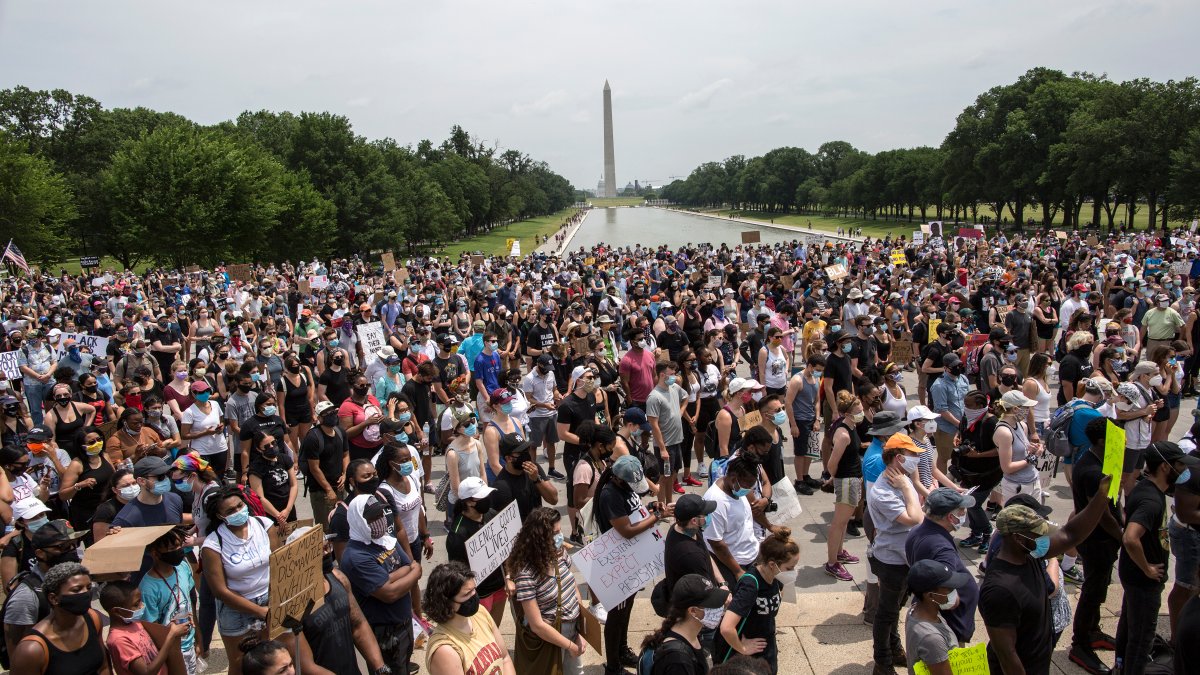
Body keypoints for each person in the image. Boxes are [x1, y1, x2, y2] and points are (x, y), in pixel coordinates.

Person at [979, 472, 1115, 675]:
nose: (1045, 538)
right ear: (1018, 538)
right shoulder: (1000, 589)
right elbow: (1007, 657)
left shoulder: (1030, 554)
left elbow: (1071, 534)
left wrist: (1102, 496)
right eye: (1038, 533)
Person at [1115, 441, 1197, 674]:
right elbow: (1131, 537)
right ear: (1164, 467)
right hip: (1143, 582)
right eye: (1179, 465)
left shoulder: (1144, 489)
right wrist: (1148, 568)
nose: (1183, 471)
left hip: (1134, 577)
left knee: (1130, 630)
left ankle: (1121, 666)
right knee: (1141, 641)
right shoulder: (1151, 500)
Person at [595, 455, 671, 674]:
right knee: (616, 614)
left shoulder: (625, 488)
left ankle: (622, 649)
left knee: (627, 608)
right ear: (619, 479)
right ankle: (613, 665)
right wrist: (656, 516)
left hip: (631, 558)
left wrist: (650, 507)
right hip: (617, 561)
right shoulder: (610, 494)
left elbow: (633, 510)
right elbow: (626, 530)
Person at [284, 527, 390, 675]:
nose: (327, 553)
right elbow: (306, 665)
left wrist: (380, 667)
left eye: (327, 546)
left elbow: (358, 625)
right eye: (318, 551)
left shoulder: (338, 578)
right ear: (300, 560)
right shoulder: (290, 605)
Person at [339, 493, 421, 675]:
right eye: (373, 517)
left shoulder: (385, 539)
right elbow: (389, 593)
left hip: (404, 625)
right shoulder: (356, 557)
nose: (380, 521)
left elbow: (409, 563)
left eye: (381, 515)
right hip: (385, 635)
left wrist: (391, 576)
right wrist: (412, 573)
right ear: (359, 520)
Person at [866, 434, 928, 674]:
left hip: (907, 556)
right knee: (886, 613)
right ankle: (882, 662)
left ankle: (894, 648)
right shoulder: (884, 491)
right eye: (913, 455)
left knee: (895, 608)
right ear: (899, 458)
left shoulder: (902, 479)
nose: (916, 459)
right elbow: (914, 517)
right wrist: (906, 487)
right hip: (892, 560)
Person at [200, 484, 278, 675]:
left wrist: (273, 604)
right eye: (230, 510)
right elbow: (220, 591)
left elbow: (278, 565)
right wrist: (260, 611)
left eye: (239, 506)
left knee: (270, 657)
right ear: (220, 517)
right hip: (236, 611)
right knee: (240, 663)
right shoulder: (213, 544)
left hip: (270, 600)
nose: (238, 511)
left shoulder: (265, 525)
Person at [1067, 416, 1124, 674]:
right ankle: (1080, 644)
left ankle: (1093, 630)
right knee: (1091, 591)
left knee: (1100, 587)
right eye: (1116, 436)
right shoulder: (1091, 471)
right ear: (1102, 441)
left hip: (1105, 540)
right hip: (1096, 540)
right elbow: (1101, 513)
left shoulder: (1103, 460)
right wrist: (1124, 537)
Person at [507, 507, 585, 675]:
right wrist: (569, 645)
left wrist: (579, 630)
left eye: (559, 531)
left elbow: (572, 586)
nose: (560, 537)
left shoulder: (560, 553)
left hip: (572, 629)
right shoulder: (526, 574)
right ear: (539, 538)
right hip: (550, 638)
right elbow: (537, 625)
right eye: (555, 533)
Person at [713, 528, 799, 672]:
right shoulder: (750, 585)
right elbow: (726, 628)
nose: (793, 572)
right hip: (744, 656)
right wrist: (743, 648)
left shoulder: (776, 577)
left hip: (767, 646)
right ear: (772, 565)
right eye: (790, 568)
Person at [904, 488, 979, 645]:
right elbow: (945, 595)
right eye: (962, 511)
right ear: (950, 517)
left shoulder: (916, 531)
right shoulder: (942, 548)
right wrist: (956, 601)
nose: (964, 514)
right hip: (950, 625)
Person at [9, 561, 108, 674]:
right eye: (77, 590)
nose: (86, 593)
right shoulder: (32, 649)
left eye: (89, 587)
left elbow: (104, 667)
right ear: (54, 599)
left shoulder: (93, 618)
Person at [3, 519, 84, 655]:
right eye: (63, 547)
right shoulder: (26, 597)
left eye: (74, 545)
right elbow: (18, 654)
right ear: (40, 553)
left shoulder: (77, 579)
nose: (72, 551)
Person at [423, 561, 516, 675]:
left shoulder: (480, 612)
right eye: (467, 594)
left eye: (474, 590)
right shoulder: (444, 650)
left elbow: (505, 658)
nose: (474, 596)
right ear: (446, 603)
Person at [100, 578, 191, 675]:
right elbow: (146, 672)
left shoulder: (134, 623)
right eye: (136, 604)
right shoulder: (119, 640)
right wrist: (171, 636)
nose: (141, 606)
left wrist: (170, 628)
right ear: (117, 611)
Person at [640, 574, 726, 675]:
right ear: (693, 611)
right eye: (713, 604)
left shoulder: (690, 633)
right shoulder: (678, 662)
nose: (720, 608)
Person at [903, 559, 972, 675]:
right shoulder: (932, 639)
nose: (954, 591)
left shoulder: (915, 609)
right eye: (949, 588)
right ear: (930, 596)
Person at [823, 391, 864, 581]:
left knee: (844, 521)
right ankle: (832, 563)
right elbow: (832, 463)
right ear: (847, 413)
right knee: (838, 524)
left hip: (852, 479)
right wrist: (835, 477)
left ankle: (839, 552)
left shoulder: (850, 426)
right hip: (847, 481)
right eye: (859, 410)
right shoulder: (844, 434)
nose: (862, 413)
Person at [57, 426, 114, 544]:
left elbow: (113, 477)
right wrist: (79, 485)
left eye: (99, 439)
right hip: (87, 513)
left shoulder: (105, 455)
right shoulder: (77, 464)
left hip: (107, 507)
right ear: (82, 446)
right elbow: (63, 495)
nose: (97, 443)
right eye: (92, 442)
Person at [301, 400, 349, 531]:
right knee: (326, 527)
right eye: (327, 414)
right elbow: (314, 468)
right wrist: (328, 490)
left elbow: (345, 455)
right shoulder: (313, 437)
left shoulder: (340, 432)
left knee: (342, 523)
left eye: (334, 412)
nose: (332, 415)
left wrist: (345, 474)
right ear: (320, 418)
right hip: (321, 490)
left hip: (339, 486)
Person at [491, 433, 558, 520]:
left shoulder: (534, 469)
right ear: (508, 458)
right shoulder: (501, 486)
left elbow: (553, 499)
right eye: (521, 453)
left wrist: (537, 480)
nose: (526, 454)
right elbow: (508, 524)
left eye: (527, 449)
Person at [993, 390, 1044, 504]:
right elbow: (1007, 468)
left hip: (1033, 481)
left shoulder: (1022, 425)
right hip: (1017, 486)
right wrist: (1032, 458)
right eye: (1026, 407)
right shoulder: (1004, 432)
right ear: (1015, 409)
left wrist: (1033, 450)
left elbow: (1023, 452)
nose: (1028, 411)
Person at [784, 353, 825, 495]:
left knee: (810, 451)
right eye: (817, 368)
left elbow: (817, 401)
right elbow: (788, 403)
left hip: (812, 420)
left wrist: (817, 419)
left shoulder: (816, 379)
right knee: (800, 452)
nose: (819, 371)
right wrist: (793, 425)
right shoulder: (797, 380)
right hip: (799, 421)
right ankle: (799, 480)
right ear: (810, 366)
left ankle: (806, 475)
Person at [647, 361, 687, 502]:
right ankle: (661, 504)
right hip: (666, 444)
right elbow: (654, 425)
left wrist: (680, 412)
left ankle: (669, 503)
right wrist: (662, 449)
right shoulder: (654, 397)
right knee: (664, 476)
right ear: (662, 375)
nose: (675, 377)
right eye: (671, 374)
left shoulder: (675, 388)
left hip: (677, 441)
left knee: (673, 473)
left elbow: (686, 397)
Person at [112, 456, 186, 529]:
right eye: (160, 476)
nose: (166, 479)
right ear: (142, 481)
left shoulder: (175, 499)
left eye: (167, 474)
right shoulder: (126, 520)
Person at [247, 430, 298, 526]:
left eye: (273, 443)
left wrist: (288, 509)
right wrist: (278, 516)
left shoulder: (284, 459)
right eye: (266, 446)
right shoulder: (256, 468)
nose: (271, 447)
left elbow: (293, 485)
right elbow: (260, 497)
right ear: (259, 449)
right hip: (270, 513)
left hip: (288, 508)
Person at [523, 353, 561, 479]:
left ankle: (552, 469)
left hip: (552, 413)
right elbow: (529, 399)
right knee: (534, 445)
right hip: (536, 416)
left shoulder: (550, 373)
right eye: (546, 368)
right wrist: (544, 405)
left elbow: (554, 389)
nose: (548, 371)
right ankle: (534, 472)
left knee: (551, 442)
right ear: (539, 365)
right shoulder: (529, 378)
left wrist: (557, 395)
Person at [929, 353, 968, 475]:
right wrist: (959, 424)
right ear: (945, 368)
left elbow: (968, 401)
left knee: (962, 454)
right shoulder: (939, 386)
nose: (957, 368)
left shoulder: (963, 379)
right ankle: (942, 484)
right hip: (946, 429)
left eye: (959, 365)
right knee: (944, 457)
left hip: (962, 426)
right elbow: (942, 411)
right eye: (953, 366)